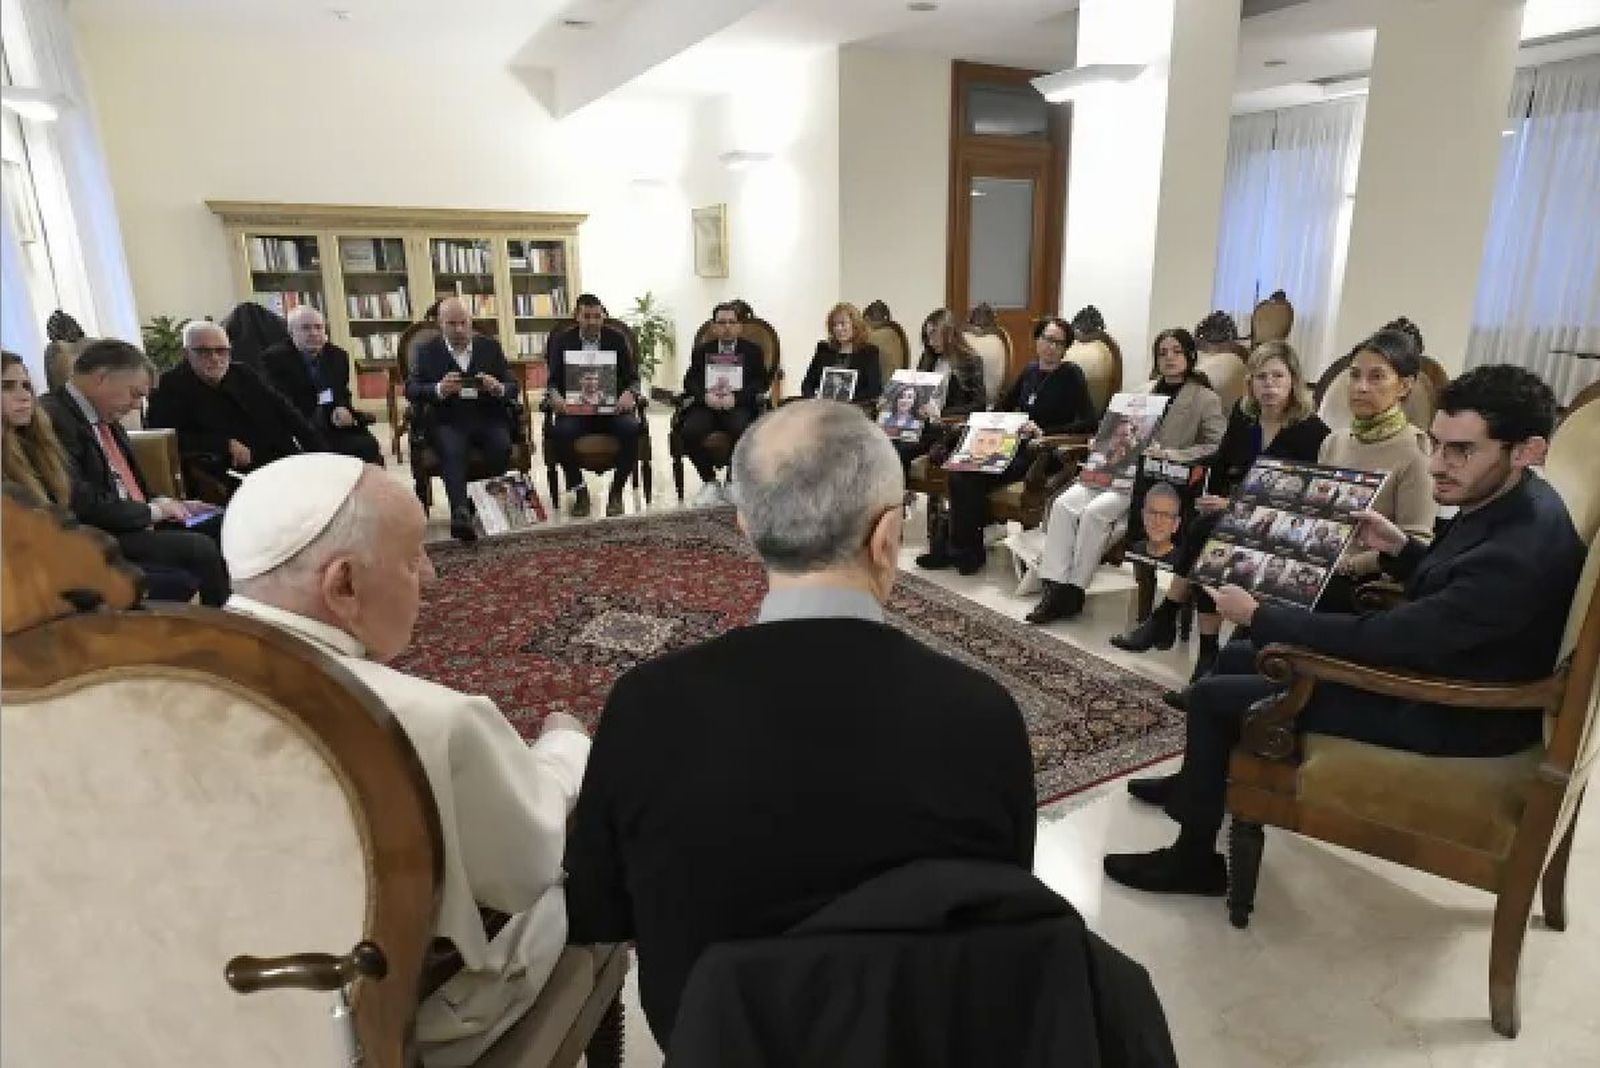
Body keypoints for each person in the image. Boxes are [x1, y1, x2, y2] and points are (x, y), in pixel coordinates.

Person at [564, 400, 1036, 1047]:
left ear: (747, 530)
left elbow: (596, 909)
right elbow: (1008, 919)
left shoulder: (646, 707)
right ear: (888, 537)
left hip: (714, 1045)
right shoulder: (984, 715)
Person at [1104, 364, 1584, 896]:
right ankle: (1197, 785)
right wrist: (1402, 549)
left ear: (1526, 450)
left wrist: (1259, 616)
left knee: (1220, 691)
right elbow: (1459, 595)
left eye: (1460, 451)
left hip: (1451, 708)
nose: (1436, 465)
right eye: (1438, 445)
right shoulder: (1514, 501)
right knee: (1242, 660)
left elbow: (1391, 640)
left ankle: (1193, 861)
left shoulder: (1517, 550)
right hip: (1445, 662)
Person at [220, 454, 591, 1066]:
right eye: (414, 555)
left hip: (198, 997)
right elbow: (529, 861)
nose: (432, 577)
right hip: (370, 1027)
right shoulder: (428, 719)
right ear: (342, 585)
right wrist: (565, 745)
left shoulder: (137, 680)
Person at [1111, 341, 1330, 673]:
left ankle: (1173, 623)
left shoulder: (1313, 432)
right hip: (1238, 517)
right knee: (1205, 528)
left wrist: (1233, 504)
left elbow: (1304, 499)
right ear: (1250, 384)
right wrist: (1177, 461)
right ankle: (1202, 651)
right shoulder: (1245, 418)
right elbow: (1220, 460)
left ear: (1293, 381)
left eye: (1277, 377)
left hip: (1285, 526)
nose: (1269, 386)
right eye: (1261, 378)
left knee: (1205, 531)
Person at [1026, 327, 1225, 624]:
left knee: (1094, 513)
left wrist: (1173, 456)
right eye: (1162, 352)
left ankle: (1073, 592)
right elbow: (1115, 429)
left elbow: (1216, 444)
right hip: (1113, 469)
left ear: (1190, 356)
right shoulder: (1140, 392)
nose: (1169, 358)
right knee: (1064, 504)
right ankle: (1053, 585)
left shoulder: (1204, 398)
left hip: (1154, 479)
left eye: (1176, 351)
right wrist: (1100, 441)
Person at [39, 340, 229, 606]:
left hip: (133, 519)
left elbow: (132, 483)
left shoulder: (106, 418)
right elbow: (78, 499)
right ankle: (221, 631)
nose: (137, 405)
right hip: (100, 534)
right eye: (134, 394)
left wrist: (167, 502)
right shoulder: (52, 418)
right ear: (101, 378)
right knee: (200, 549)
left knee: (221, 523)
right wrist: (154, 512)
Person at [917, 317, 1097, 576]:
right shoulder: (1030, 371)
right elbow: (1003, 406)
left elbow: (1089, 422)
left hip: (1042, 453)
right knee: (959, 472)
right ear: (1037, 340)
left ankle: (964, 552)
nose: (1051, 347)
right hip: (1011, 445)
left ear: (1065, 347)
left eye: (1058, 342)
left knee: (969, 476)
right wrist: (992, 421)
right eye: (1047, 339)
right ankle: (958, 549)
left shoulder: (1071, 375)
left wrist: (1043, 431)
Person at [146, 320, 325, 496]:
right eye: (203, 351)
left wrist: (321, 454)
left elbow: (286, 411)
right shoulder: (168, 386)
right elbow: (161, 439)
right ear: (186, 354)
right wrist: (222, 444)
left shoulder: (243, 373)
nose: (215, 358)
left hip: (273, 459)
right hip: (223, 471)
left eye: (221, 350)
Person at [1318, 328, 1438, 585]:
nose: (1361, 387)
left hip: (1364, 579)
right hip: (1318, 560)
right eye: (1355, 375)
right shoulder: (1333, 442)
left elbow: (1415, 541)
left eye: (1376, 377)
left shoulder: (1416, 451)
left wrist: (1352, 565)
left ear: (1404, 386)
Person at [405, 296, 520, 540]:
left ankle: (485, 506)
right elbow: (412, 390)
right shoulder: (426, 352)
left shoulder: (490, 347)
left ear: (470, 322)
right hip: (448, 419)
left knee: (501, 445)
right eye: (451, 324)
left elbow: (513, 386)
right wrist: (437, 389)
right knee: (452, 448)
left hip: (488, 416)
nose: (458, 329)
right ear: (440, 324)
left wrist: (498, 387)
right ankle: (460, 512)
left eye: (463, 323)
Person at [543, 293, 641, 518]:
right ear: (577, 317)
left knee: (631, 428)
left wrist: (630, 393)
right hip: (576, 410)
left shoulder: (615, 339)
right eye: (587, 316)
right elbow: (552, 382)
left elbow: (633, 378)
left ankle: (616, 492)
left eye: (597, 316)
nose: (592, 322)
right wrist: (555, 396)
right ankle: (580, 492)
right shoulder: (563, 341)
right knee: (561, 432)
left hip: (611, 409)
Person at [260, 306, 384, 466]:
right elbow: (277, 401)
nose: (314, 333)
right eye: (306, 328)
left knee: (368, 446)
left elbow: (341, 392)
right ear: (291, 333)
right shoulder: (273, 359)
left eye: (318, 327)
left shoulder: (337, 356)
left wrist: (341, 407)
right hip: (298, 427)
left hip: (332, 423)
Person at [680, 301, 768, 506]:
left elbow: (760, 383)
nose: (727, 327)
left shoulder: (753, 351)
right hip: (707, 405)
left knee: (742, 429)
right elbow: (690, 381)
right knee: (689, 431)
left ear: (739, 326)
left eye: (731, 322)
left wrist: (736, 398)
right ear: (714, 326)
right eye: (722, 322)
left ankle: (731, 482)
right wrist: (705, 397)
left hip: (737, 405)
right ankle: (710, 482)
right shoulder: (702, 351)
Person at [893, 308, 985, 477]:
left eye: (934, 335)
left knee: (902, 450)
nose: (930, 341)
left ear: (949, 334)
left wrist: (940, 413)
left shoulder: (970, 361)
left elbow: (979, 405)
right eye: (927, 336)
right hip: (921, 425)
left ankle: (898, 498)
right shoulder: (928, 357)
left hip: (947, 429)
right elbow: (916, 392)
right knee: (887, 444)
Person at [800, 303, 882, 403]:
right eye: (835, 325)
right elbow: (807, 384)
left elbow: (873, 390)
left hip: (853, 409)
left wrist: (847, 401)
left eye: (843, 324)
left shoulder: (869, 352)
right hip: (822, 406)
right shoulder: (824, 349)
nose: (838, 328)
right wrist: (813, 399)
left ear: (855, 325)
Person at [1131, 481, 1183, 564]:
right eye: (1152, 512)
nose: (1158, 521)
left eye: (1165, 515)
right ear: (1143, 516)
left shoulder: (1183, 562)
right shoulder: (1132, 550)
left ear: (1176, 524)